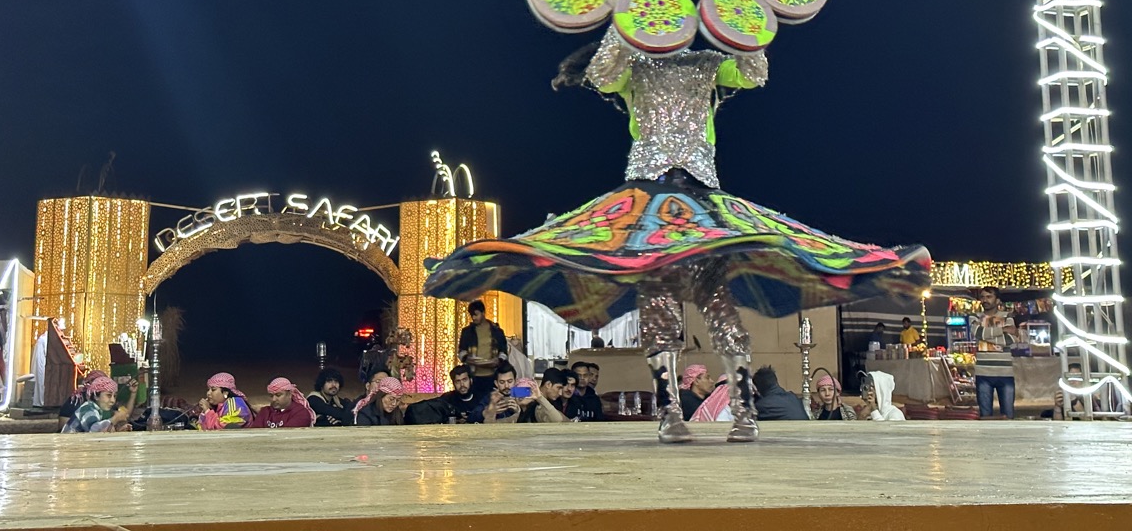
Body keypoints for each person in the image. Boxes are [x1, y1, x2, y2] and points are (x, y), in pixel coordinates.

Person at [426, 22, 931, 445]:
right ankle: (672, 412)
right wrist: (626, 25)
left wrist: (741, 23)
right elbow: (601, 72)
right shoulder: (634, 63)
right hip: (645, 204)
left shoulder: (710, 60)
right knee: (662, 308)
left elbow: (756, 71)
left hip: (702, 202)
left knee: (718, 309)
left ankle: (743, 410)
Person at [970, 287, 1016, 419]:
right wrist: (1002, 330)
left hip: (1005, 373)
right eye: (983, 297)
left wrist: (986, 335)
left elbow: (1010, 339)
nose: (985, 300)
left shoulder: (1007, 316)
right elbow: (977, 333)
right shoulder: (975, 317)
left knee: (1008, 415)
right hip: (983, 372)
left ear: (998, 300)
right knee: (985, 415)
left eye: (989, 297)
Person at [457, 301, 507, 396]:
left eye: (476, 314)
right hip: (473, 375)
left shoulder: (497, 331)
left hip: (494, 375)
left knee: (492, 401)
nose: (474, 318)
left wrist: (498, 361)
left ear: (483, 313)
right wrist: (467, 359)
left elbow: (504, 352)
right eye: (472, 315)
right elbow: (461, 351)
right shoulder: (467, 332)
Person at [61, 376, 129, 433]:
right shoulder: (88, 408)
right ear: (96, 396)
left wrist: (119, 430)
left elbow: (102, 431)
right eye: (108, 395)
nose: (113, 401)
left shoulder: (97, 410)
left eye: (114, 396)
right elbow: (94, 430)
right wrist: (115, 419)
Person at [249, 377, 314, 428]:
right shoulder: (264, 412)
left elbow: (287, 436)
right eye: (271, 396)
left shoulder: (301, 413)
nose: (274, 399)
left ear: (289, 395)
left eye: (278, 395)